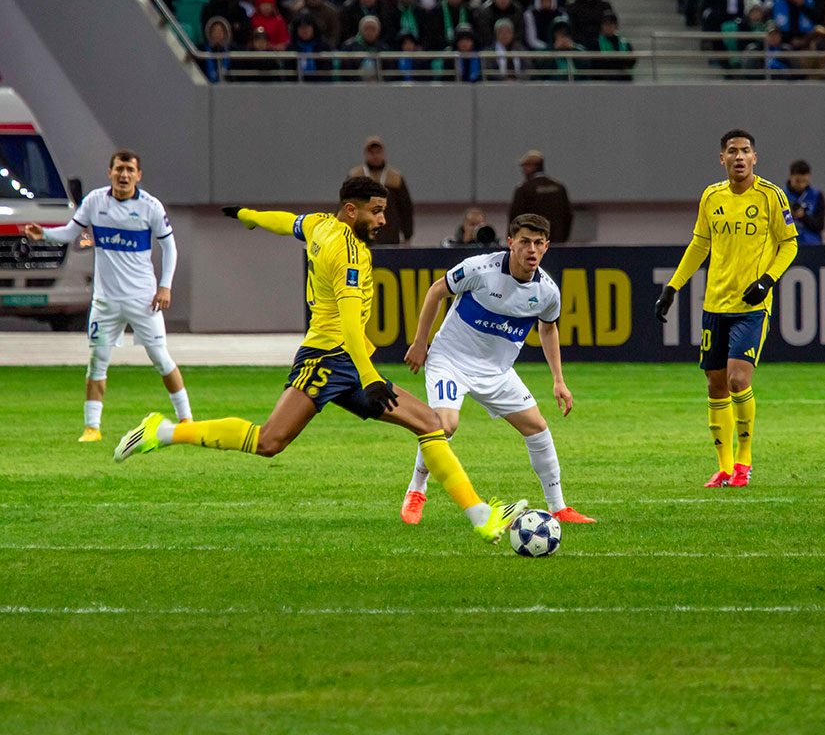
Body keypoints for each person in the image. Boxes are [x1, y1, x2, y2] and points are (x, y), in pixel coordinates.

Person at [112, 178, 529, 544]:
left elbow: (286, 222)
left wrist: (249, 216)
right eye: (376, 211)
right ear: (351, 210)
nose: (383, 220)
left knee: (430, 424)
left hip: (344, 361)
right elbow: (348, 323)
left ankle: (481, 517)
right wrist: (370, 377)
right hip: (328, 359)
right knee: (269, 441)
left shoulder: (320, 225)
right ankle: (163, 431)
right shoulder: (348, 253)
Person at [402, 214, 595, 525]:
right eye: (525, 242)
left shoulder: (547, 292)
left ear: (546, 247)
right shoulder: (480, 269)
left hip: (497, 372)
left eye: (538, 243)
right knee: (445, 425)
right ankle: (416, 489)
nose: (532, 249)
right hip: (450, 360)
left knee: (537, 428)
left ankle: (559, 508)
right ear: (510, 243)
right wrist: (420, 343)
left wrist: (559, 380)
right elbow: (437, 290)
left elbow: (548, 329)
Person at [653, 130, 799, 489]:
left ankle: (743, 463)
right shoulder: (711, 196)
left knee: (737, 380)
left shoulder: (771, 196)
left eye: (745, 151)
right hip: (714, 305)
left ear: (754, 158)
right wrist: (672, 287)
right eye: (732, 151)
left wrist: (767, 280)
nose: (739, 157)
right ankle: (723, 467)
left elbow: (789, 245)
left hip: (751, 307)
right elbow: (699, 245)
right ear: (722, 159)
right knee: (715, 385)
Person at [24, 151, 192, 442]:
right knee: (97, 361)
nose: (124, 175)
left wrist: (165, 286)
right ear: (110, 172)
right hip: (105, 301)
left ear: (138, 175)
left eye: (129, 170)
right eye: (119, 169)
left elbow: (170, 247)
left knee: (161, 358)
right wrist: (45, 235)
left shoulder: (150, 206)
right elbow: (71, 232)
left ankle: (186, 419)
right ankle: (92, 428)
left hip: (143, 299)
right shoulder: (94, 201)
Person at [347, 136, 414, 245]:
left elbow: (405, 208)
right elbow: (345, 206)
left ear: (383, 154)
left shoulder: (394, 177)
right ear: (365, 154)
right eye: (371, 153)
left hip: (389, 238)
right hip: (360, 238)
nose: (375, 156)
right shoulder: (355, 176)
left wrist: (408, 235)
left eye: (378, 152)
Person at [509, 150, 572, 242]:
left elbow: (516, 217)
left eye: (525, 166)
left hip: (533, 242)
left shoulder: (524, 189)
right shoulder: (559, 187)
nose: (523, 170)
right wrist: (563, 238)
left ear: (532, 167)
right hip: (557, 241)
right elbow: (568, 215)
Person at [783, 160, 825, 244]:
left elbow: (819, 225)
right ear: (790, 177)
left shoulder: (816, 195)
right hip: (787, 244)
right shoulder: (781, 195)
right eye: (797, 181)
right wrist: (788, 215)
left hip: (811, 244)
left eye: (805, 181)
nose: (801, 185)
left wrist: (803, 216)